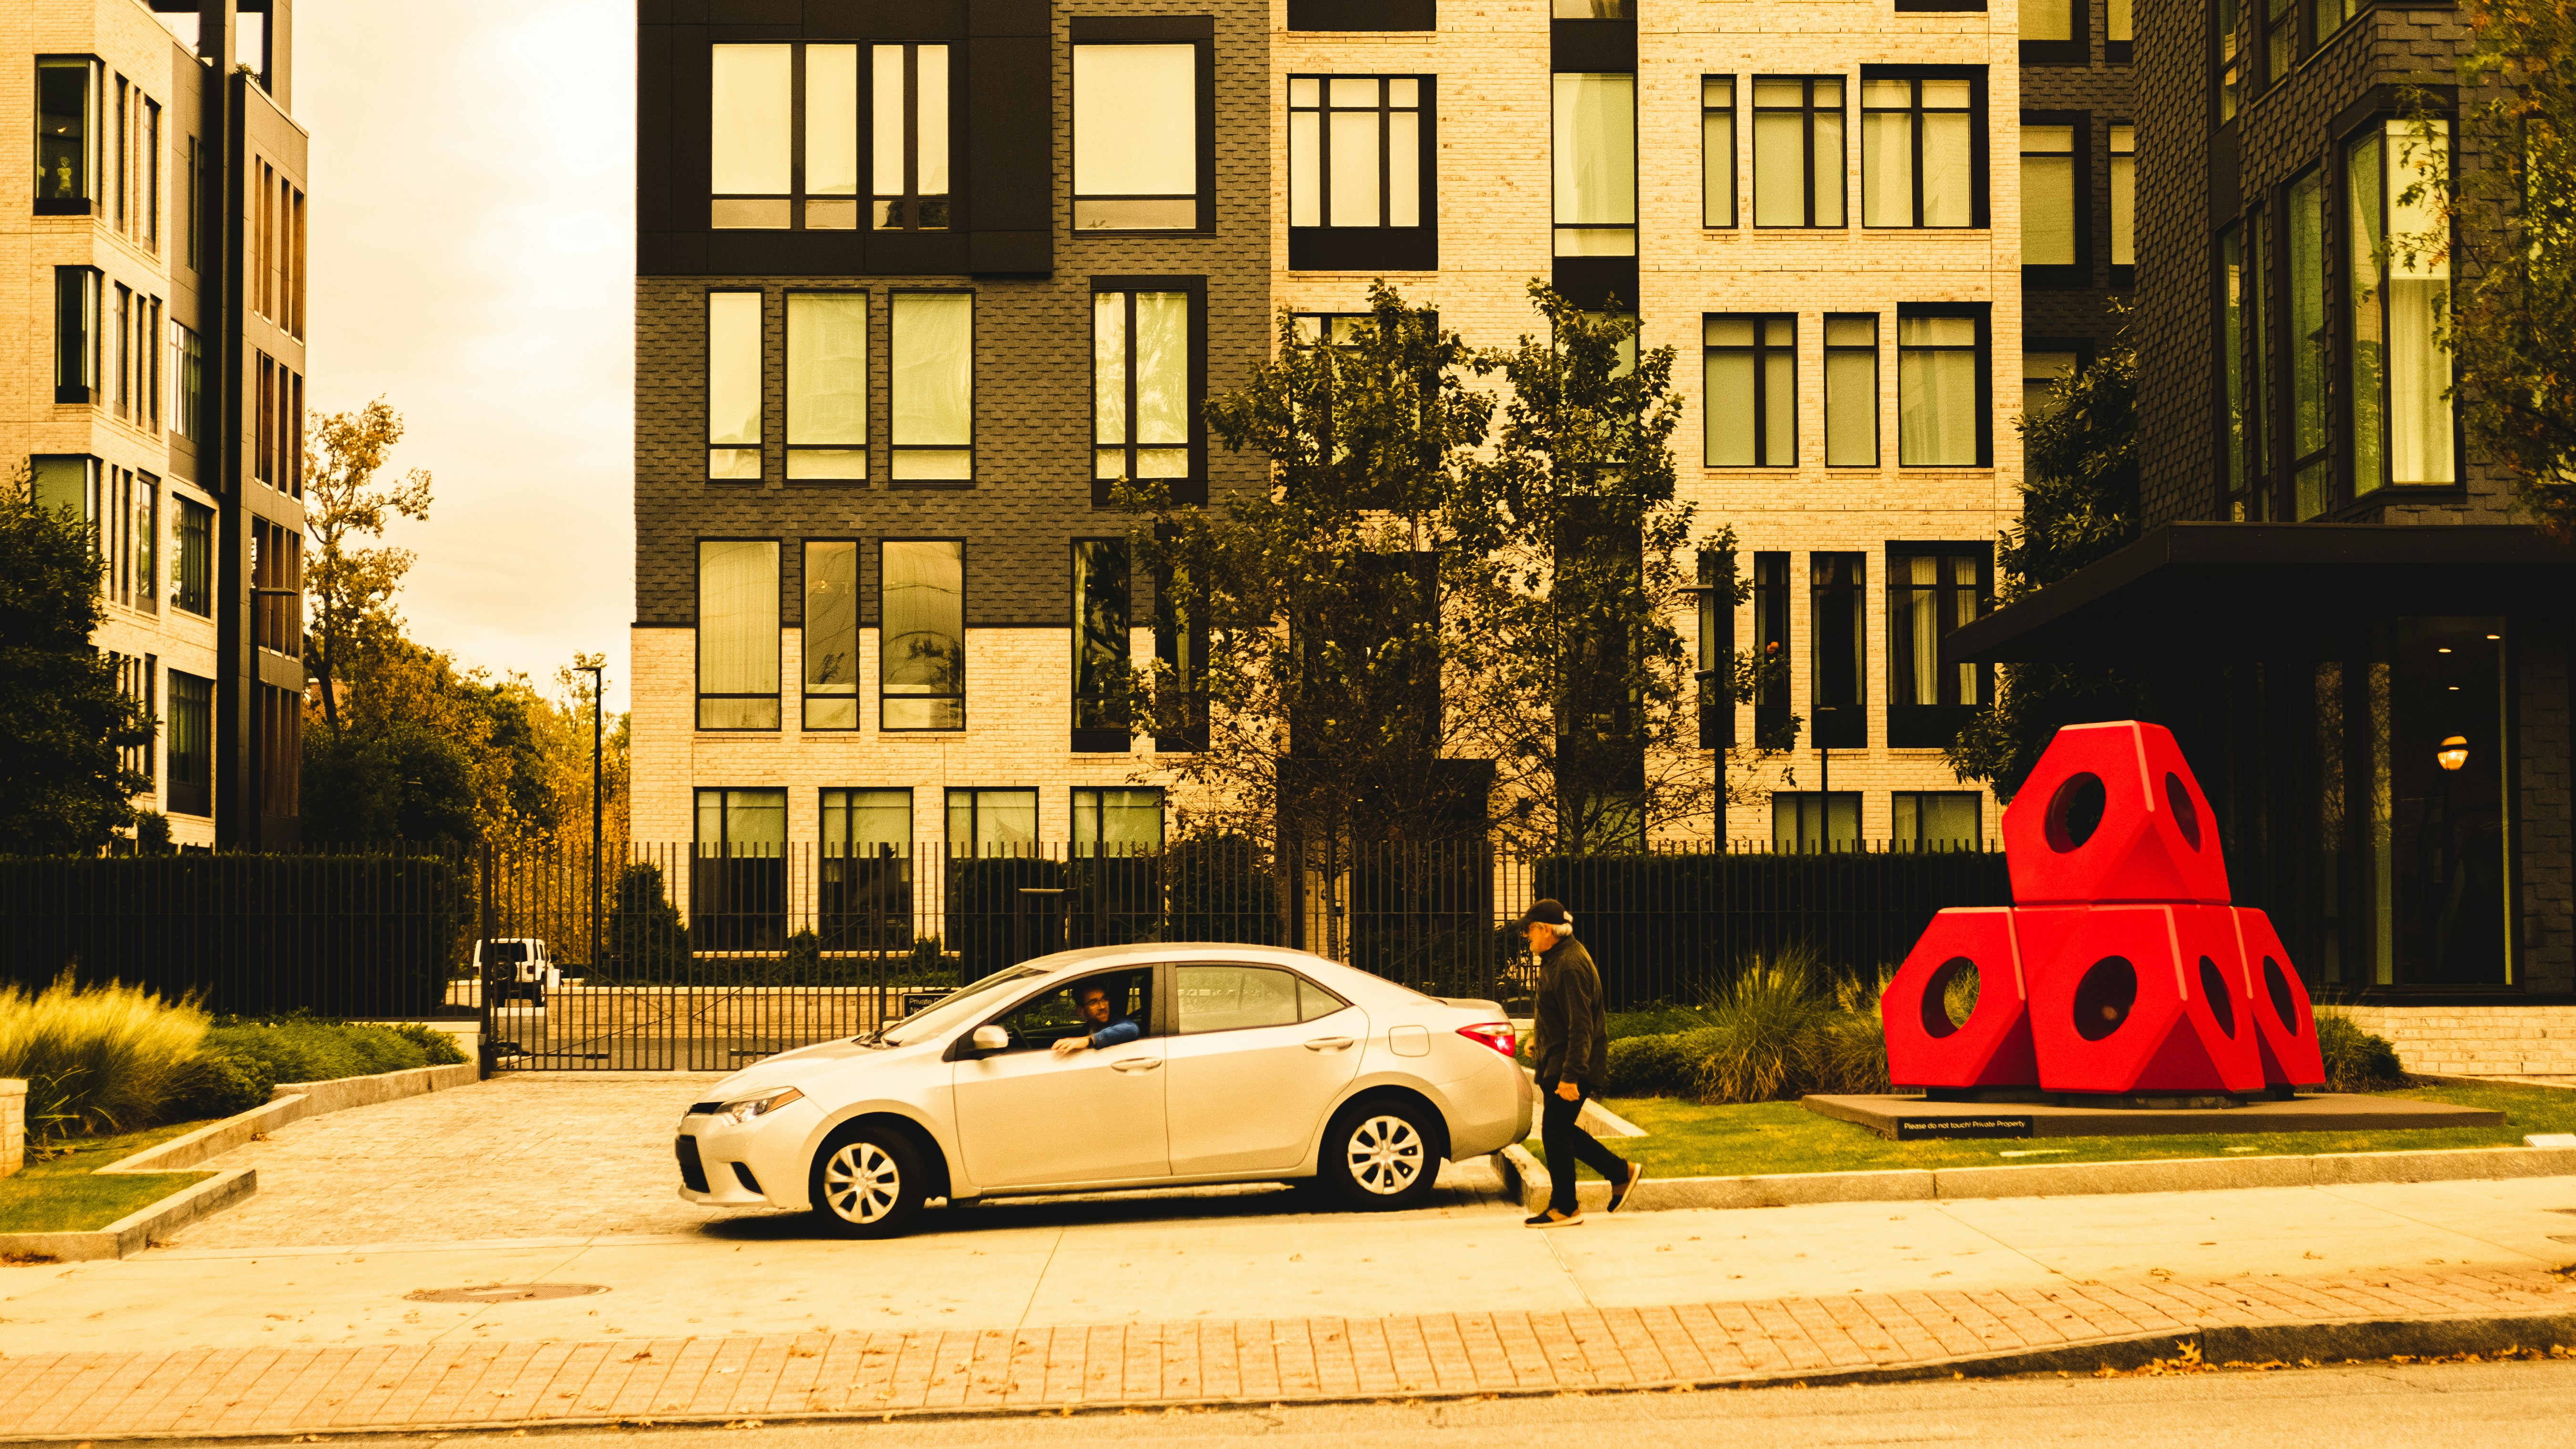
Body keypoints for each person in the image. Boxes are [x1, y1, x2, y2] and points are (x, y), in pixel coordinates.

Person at [1522, 899, 1641, 1226]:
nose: (1526, 936)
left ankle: (1566, 1207)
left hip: (1571, 1065)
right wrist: (1539, 1037)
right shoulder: (1557, 958)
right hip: (1559, 1060)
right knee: (1560, 1131)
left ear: (1546, 930)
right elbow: (1559, 1013)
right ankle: (1620, 1172)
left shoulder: (1570, 964)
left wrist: (1572, 1076)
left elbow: (1582, 1025)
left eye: (1529, 930)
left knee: (1555, 1132)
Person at [1050, 980, 1144, 1056]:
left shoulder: (1116, 1021)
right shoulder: (1084, 1030)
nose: (1103, 1007)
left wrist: (1089, 1040)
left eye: (1104, 999)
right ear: (1081, 1011)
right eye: (1094, 1003)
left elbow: (1132, 1029)